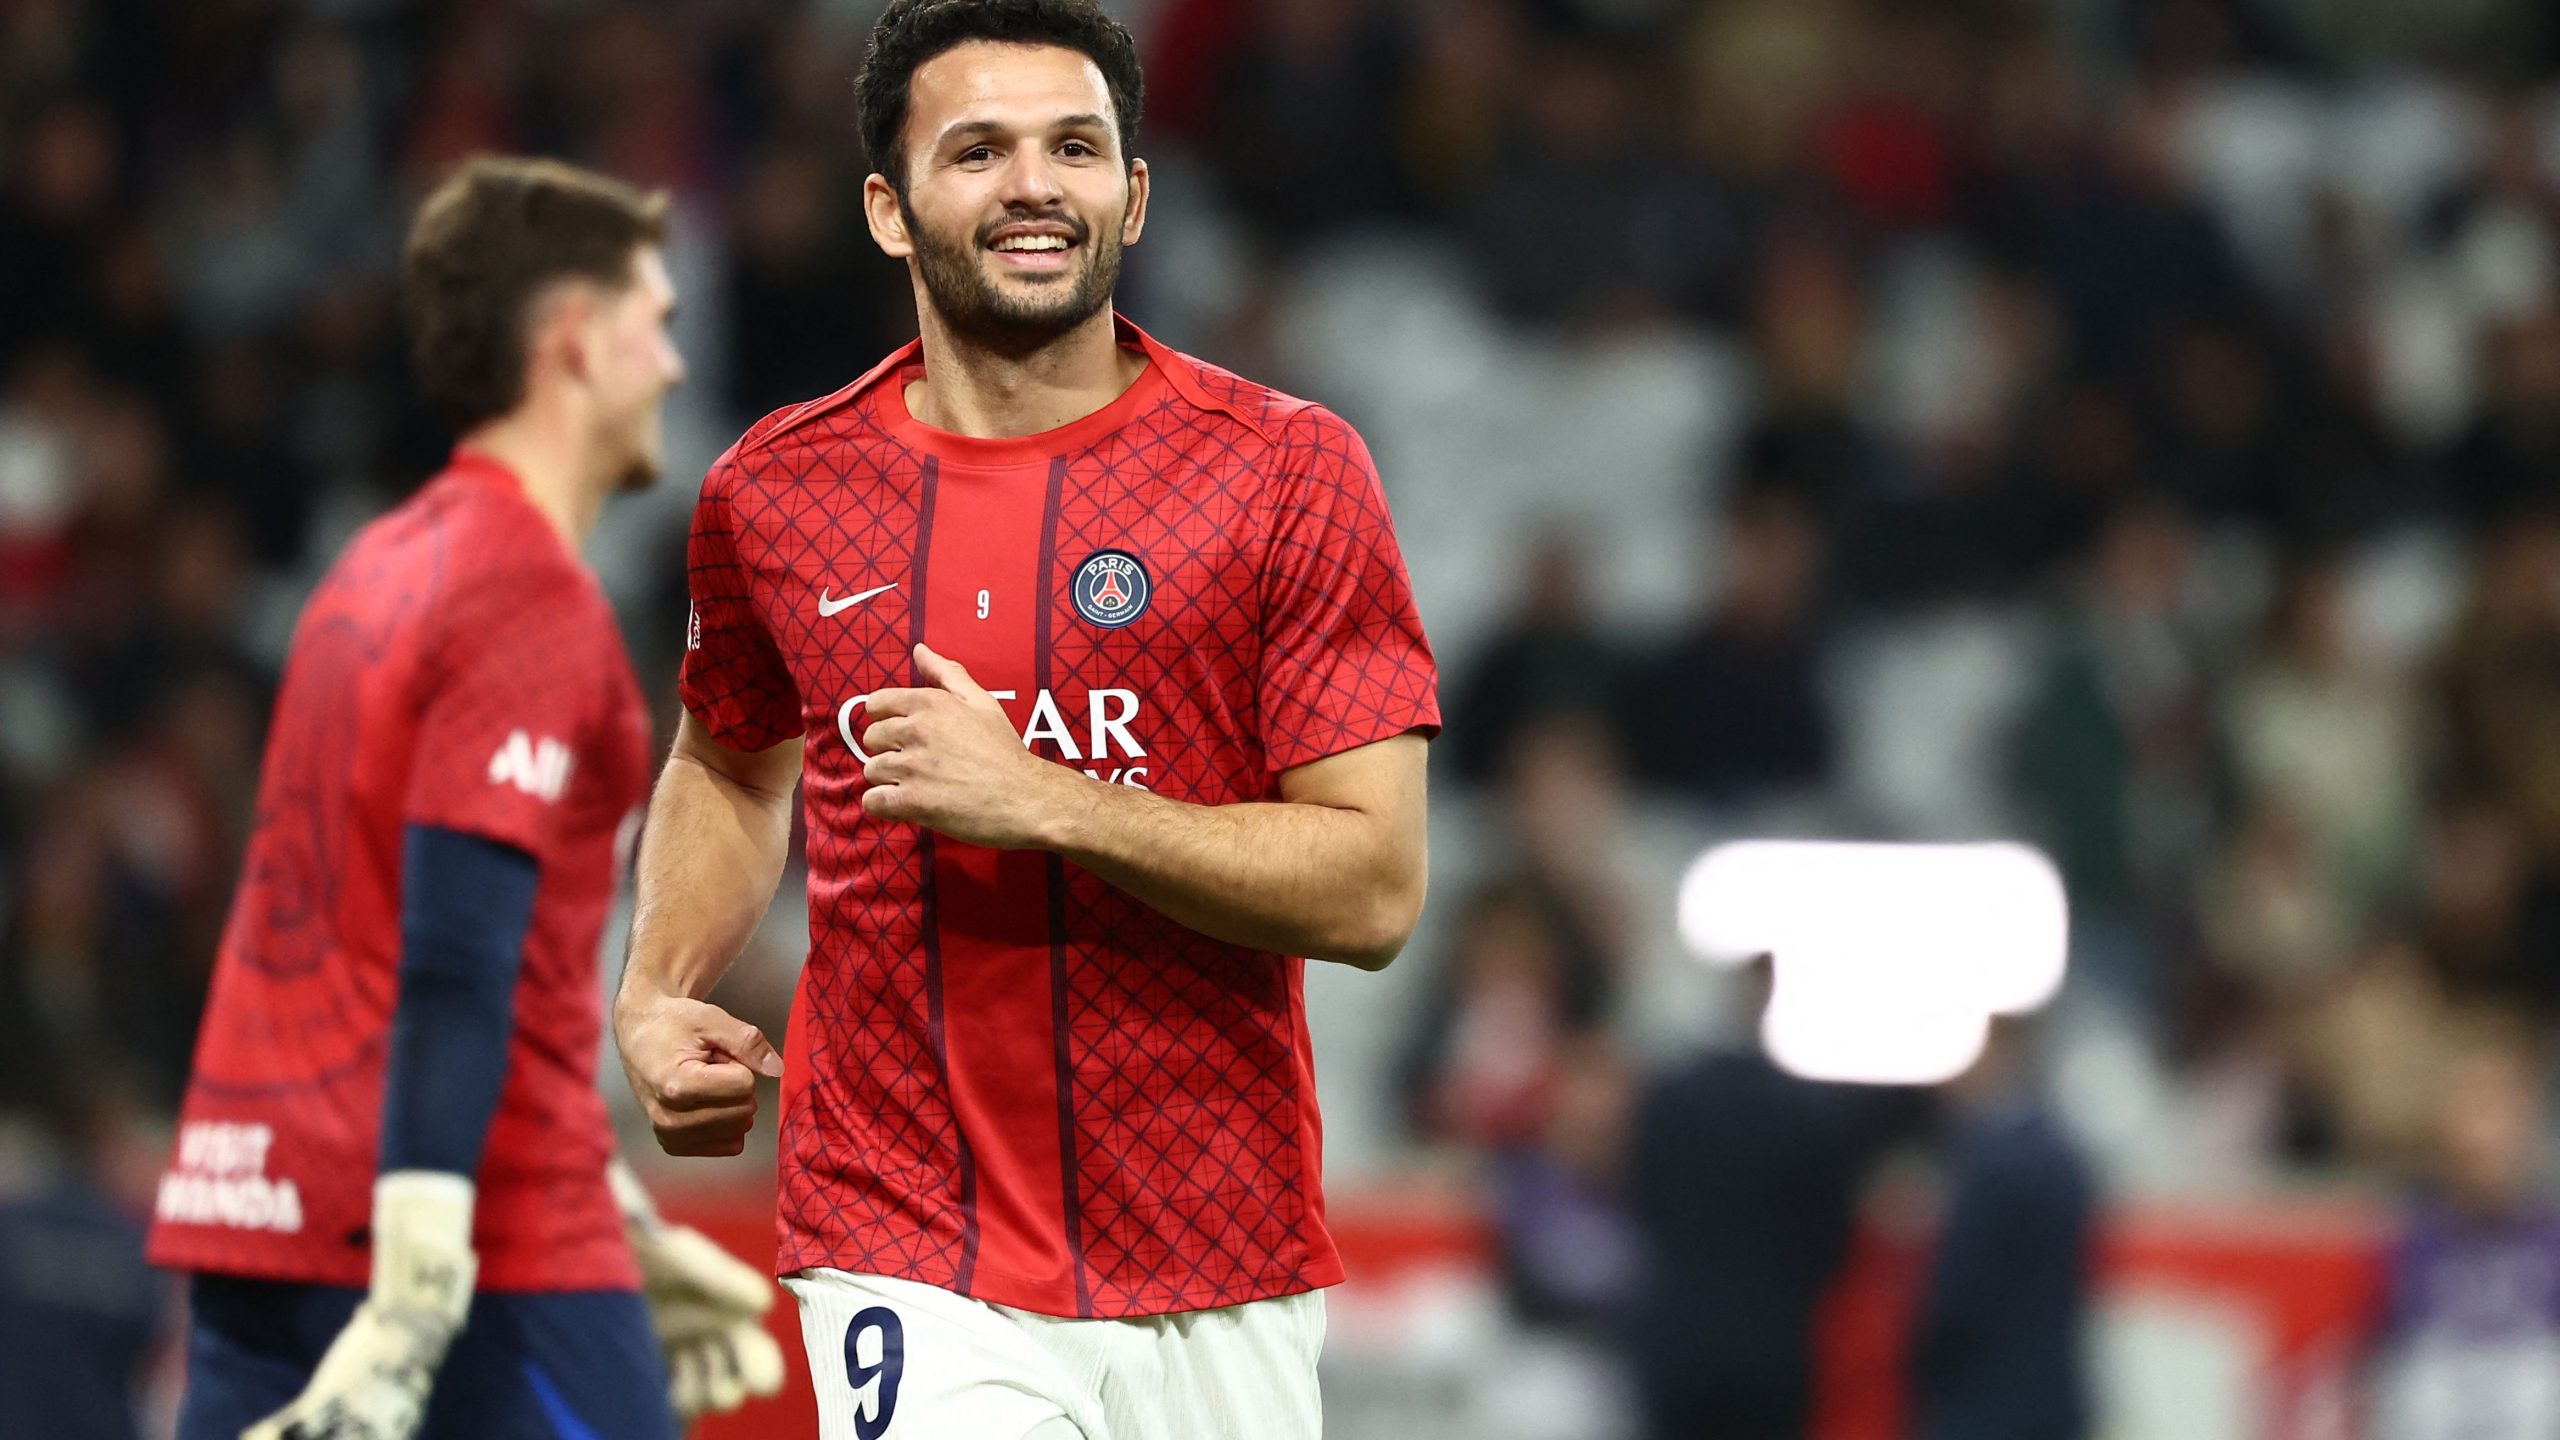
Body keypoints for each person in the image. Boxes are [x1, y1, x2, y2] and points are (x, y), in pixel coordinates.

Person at [610, 3, 1440, 1437]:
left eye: (1074, 147)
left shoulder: (1288, 474)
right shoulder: (774, 492)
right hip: (905, 1236)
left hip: (1219, 1250)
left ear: (1135, 193)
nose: (1034, 185)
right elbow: (731, 764)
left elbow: (1372, 890)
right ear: (889, 208)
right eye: (978, 150)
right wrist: (657, 987)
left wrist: (1047, 799)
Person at [145, 157, 782, 1440]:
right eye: (654, 322)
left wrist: (625, 1217)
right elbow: (452, 967)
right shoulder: (526, 602)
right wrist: (425, 1286)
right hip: (464, 1242)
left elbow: (362, 933)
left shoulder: (373, 567)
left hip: (254, 1205)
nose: (672, 364)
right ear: (574, 340)